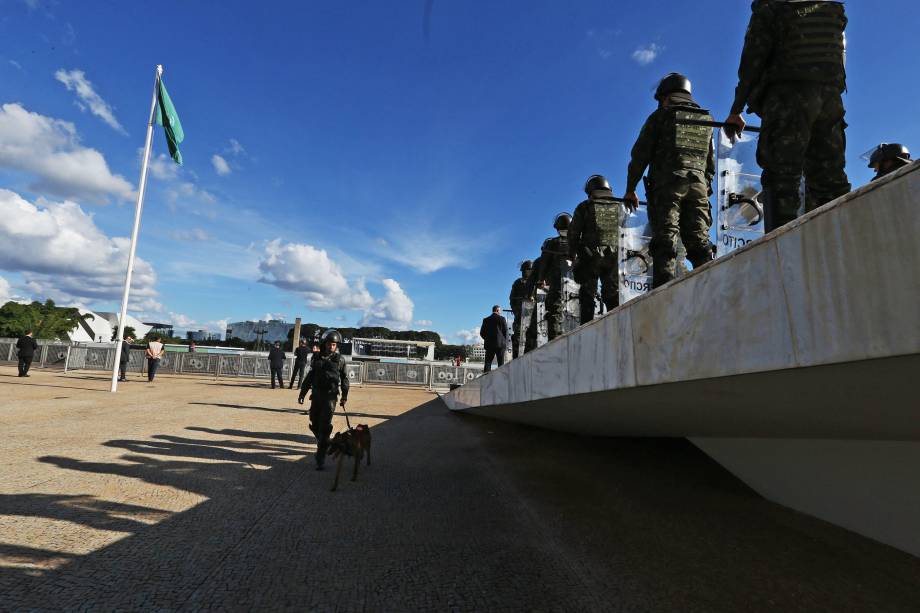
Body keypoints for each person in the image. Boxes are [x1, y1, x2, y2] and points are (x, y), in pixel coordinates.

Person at [724, 0, 850, 232]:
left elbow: (752, 62)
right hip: (831, 101)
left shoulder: (771, 8)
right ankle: (843, 236)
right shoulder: (831, 8)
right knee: (830, 178)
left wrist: (736, 110)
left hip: (789, 98)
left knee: (782, 175)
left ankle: (782, 244)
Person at [624, 73, 715, 288]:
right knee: (700, 243)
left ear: (665, 96)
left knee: (666, 242)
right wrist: (704, 187)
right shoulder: (706, 119)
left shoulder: (660, 116)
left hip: (668, 186)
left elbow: (639, 156)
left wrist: (630, 189)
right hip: (699, 186)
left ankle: (665, 294)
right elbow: (710, 163)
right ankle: (712, 287)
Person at [570, 175, 620, 323]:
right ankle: (616, 322)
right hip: (614, 257)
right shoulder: (618, 205)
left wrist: (571, 254)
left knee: (587, 295)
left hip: (590, 257)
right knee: (612, 293)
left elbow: (573, 233)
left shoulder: (584, 207)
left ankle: (586, 328)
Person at [298, 329, 349, 470]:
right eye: (329, 344)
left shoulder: (341, 360)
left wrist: (344, 396)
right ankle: (326, 441)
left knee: (324, 426)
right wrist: (302, 392)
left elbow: (345, 379)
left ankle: (320, 458)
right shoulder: (316, 357)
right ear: (324, 343)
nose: (331, 347)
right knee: (314, 424)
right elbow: (310, 376)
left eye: (334, 344)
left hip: (330, 397)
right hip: (316, 395)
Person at [533, 213, 573, 341]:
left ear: (557, 227)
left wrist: (540, 280)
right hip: (577, 283)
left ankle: (555, 343)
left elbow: (544, 264)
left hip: (557, 284)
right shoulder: (578, 241)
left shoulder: (551, 243)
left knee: (555, 311)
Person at [508, 260, 533, 358]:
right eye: (525, 270)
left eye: (528, 270)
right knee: (518, 336)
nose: (526, 272)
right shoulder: (518, 282)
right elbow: (512, 298)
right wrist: (516, 310)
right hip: (520, 313)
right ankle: (517, 357)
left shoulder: (535, 281)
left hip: (533, 313)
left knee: (531, 336)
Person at [479, 305, 508, 372]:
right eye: (500, 311)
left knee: (488, 363)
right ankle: (500, 379)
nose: (500, 312)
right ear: (497, 310)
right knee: (501, 363)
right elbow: (505, 332)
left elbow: (482, 333)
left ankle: (486, 379)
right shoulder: (502, 319)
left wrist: (487, 339)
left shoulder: (486, 320)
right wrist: (504, 341)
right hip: (500, 345)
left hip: (489, 345)